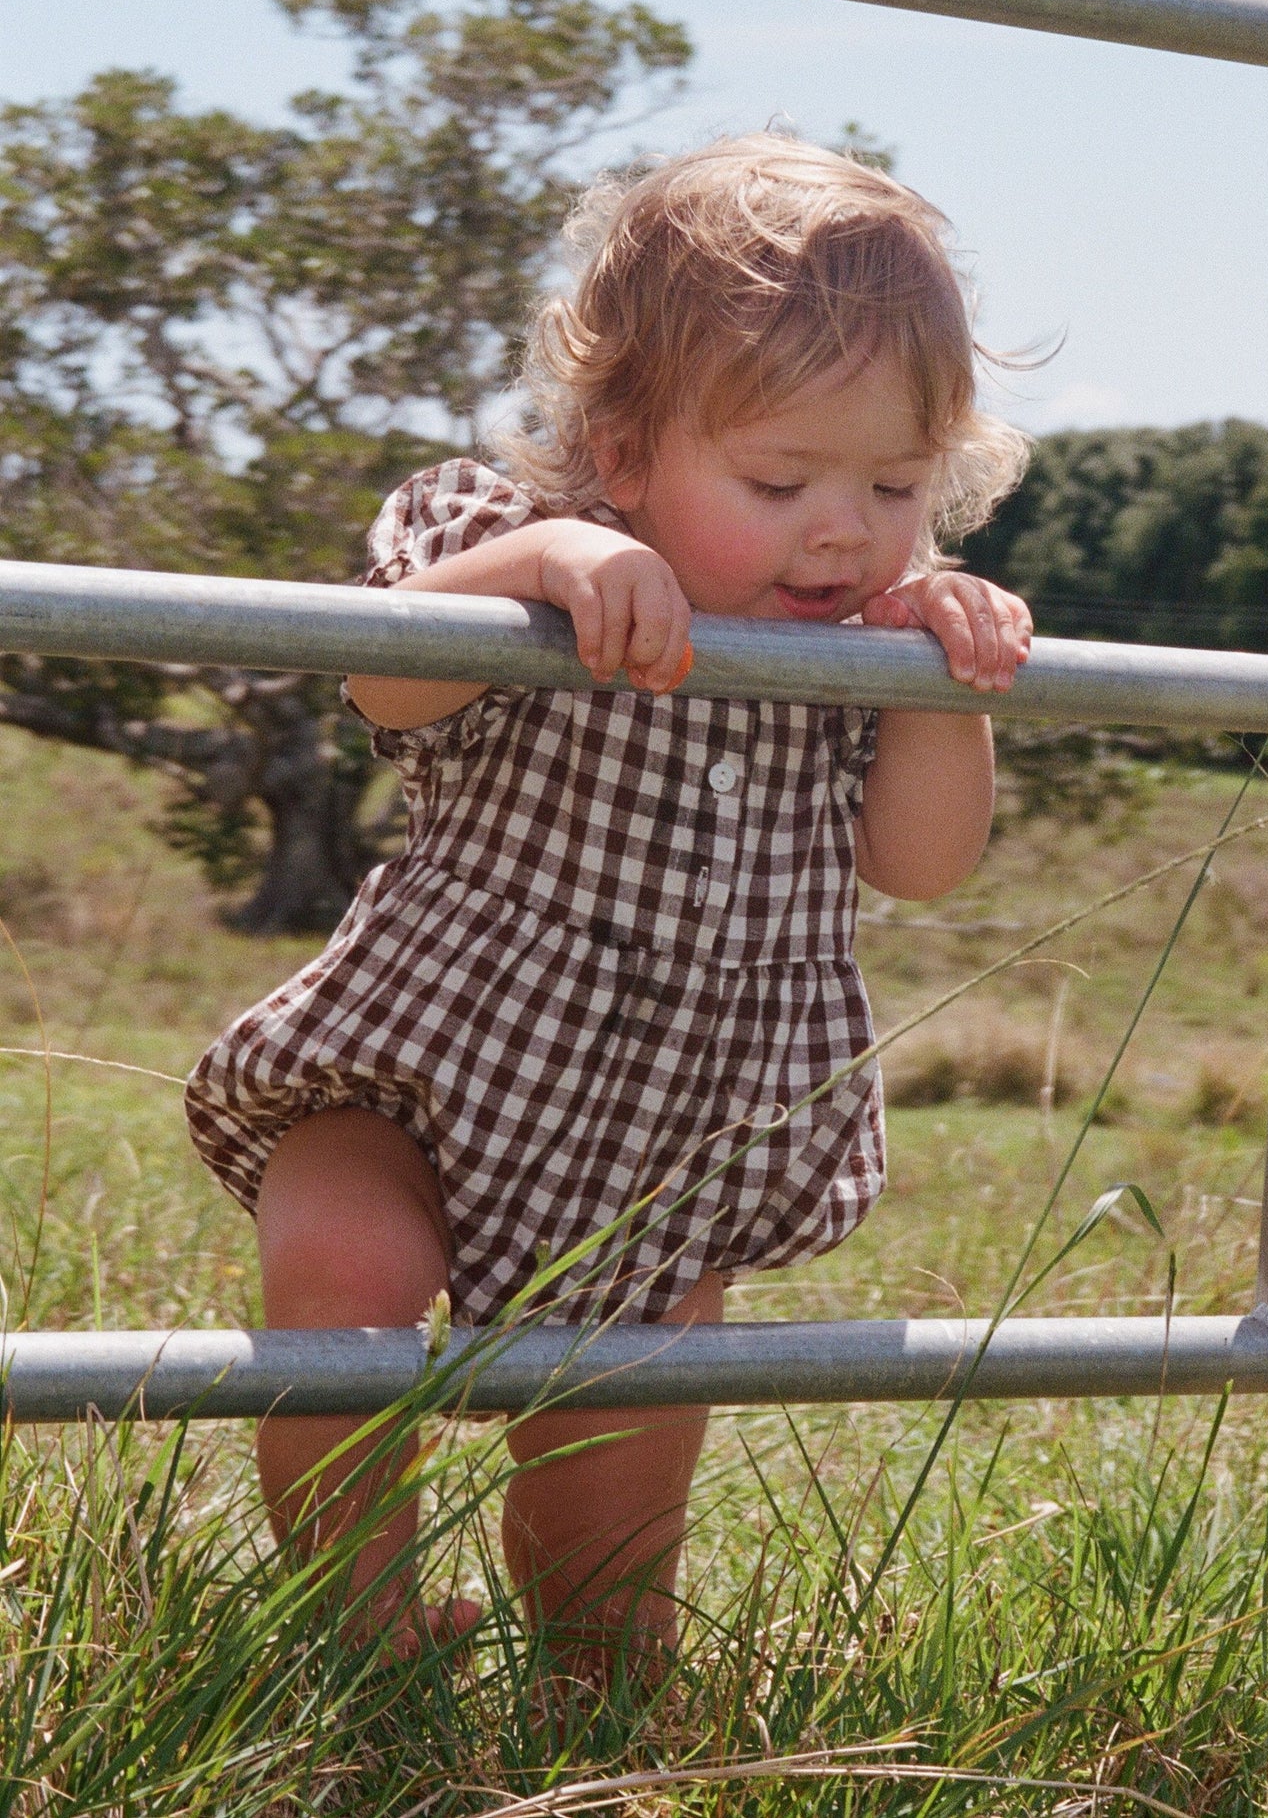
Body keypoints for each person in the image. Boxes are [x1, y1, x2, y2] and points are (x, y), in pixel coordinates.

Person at [185, 133, 1034, 1670]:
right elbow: (379, 673)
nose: (840, 527)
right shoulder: (507, 550)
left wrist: (938, 677)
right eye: (779, 479)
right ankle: (357, 1638)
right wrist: (545, 560)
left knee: (619, 1467)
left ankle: (603, 1687)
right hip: (422, 1063)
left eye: (894, 483)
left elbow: (919, 866)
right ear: (627, 449)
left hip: (674, 1127)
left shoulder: (855, 642)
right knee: (349, 1282)